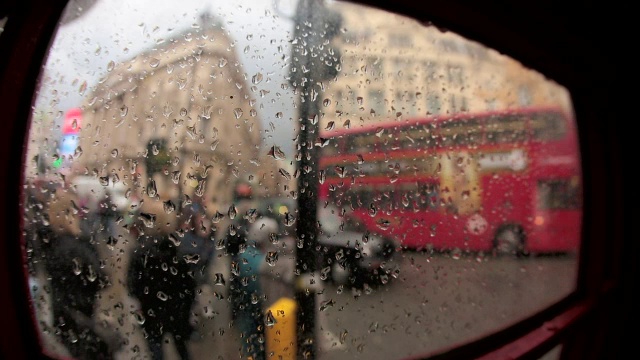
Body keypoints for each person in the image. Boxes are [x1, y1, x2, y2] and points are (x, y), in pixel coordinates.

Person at [44, 185, 119, 359]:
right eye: (75, 210)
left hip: (62, 314)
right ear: (68, 213)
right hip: (79, 315)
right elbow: (100, 279)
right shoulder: (75, 247)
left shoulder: (52, 241)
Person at [230, 217, 279, 360]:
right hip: (255, 311)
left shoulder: (245, 254)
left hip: (246, 310)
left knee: (251, 345)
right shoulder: (257, 259)